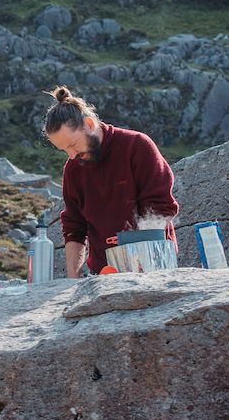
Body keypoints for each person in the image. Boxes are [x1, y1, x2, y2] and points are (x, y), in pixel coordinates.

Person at [43, 87, 179, 277]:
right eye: (64, 150)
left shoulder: (137, 146)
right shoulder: (73, 169)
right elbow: (74, 226)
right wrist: (72, 280)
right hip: (102, 273)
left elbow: (160, 208)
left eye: (73, 144)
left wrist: (137, 261)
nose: (72, 155)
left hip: (153, 266)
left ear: (89, 124)